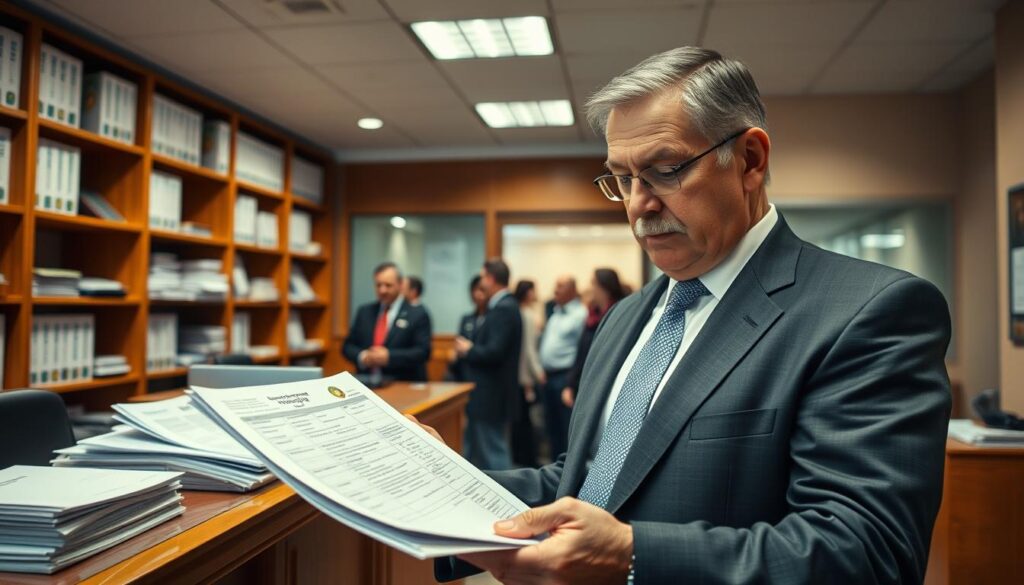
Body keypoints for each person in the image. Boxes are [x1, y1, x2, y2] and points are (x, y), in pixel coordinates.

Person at [426, 47, 951, 584]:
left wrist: (632, 559)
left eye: (665, 171)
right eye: (622, 179)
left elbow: (867, 553)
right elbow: (590, 478)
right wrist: (444, 491)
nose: (638, 204)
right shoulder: (626, 317)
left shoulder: (869, 312)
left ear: (749, 160)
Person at [454, 259, 523, 471]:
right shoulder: (502, 306)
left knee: (493, 452)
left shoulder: (504, 308)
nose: (481, 283)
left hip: (492, 394)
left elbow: (495, 352)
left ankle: (507, 500)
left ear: (491, 279)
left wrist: (468, 349)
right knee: (482, 451)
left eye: (483, 277)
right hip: (488, 394)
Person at [342, 262, 432, 382]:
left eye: (388, 285)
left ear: (400, 285)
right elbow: (347, 347)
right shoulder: (365, 312)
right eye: (378, 285)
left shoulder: (417, 314)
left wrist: (389, 357)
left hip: (402, 384)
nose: (382, 290)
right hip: (367, 383)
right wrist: (363, 356)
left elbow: (423, 352)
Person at [537, 275, 587, 458]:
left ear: (573, 291)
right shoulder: (556, 313)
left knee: (566, 428)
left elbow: (582, 351)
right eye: (555, 286)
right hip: (548, 377)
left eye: (560, 287)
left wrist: (571, 382)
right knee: (551, 427)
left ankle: (566, 473)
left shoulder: (580, 314)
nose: (555, 290)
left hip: (565, 378)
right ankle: (553, 469)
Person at [562, 268, 627, 408]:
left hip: (607, 385)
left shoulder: (622, 313)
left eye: (593, 284)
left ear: (605, 287)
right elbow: (582, 352)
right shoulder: (592, 315)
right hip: (586, 382)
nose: (590, 288)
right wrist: (570, 384)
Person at [512, 280, 544, 467]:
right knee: (526, 421)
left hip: (518, 374)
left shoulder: (519, 312)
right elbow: (529, 348)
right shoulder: (527, 315)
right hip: (525, 375)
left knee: (521, 420)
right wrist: (537, 372)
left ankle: (520, 457)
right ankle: (528, 460)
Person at [448, 275, 487, 382]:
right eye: (475, 290)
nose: (478, 294)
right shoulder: (467, 319)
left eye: (482, 290)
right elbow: (459, 342)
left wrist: (469, 348)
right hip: (465, 373)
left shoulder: (493, 318)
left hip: (484, 373)